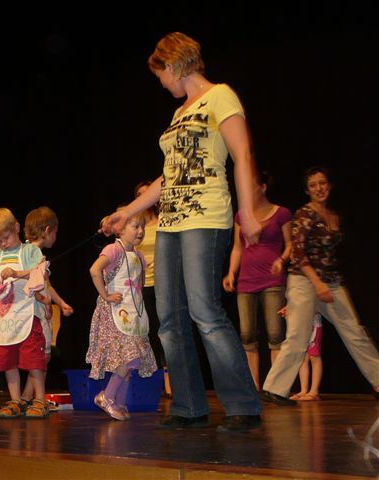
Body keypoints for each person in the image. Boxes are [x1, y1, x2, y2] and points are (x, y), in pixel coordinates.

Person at [102, 32, 262, 432]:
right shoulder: (178, 113)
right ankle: (189, 406)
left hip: (205, 217)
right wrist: (127, 212)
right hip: (171, 223)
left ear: (172, 66)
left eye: (159, 73)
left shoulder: (221, 96)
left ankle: (243, 404)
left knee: (205, 311)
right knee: (169, 318)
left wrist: (247, 212)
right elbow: (168, 177)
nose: (160, 82)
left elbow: (242, 154)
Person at [262, 167, 379, 405]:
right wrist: (317, 283)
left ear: (330, 185)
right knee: (298, 335)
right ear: (307, 190)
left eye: (322, 183)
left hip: (331, 281)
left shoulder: (334, 215)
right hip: (304, 280)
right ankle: (274, 389)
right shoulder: (304, 213)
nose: (319, 188)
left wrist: (326, 283)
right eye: (313, 185)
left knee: (355, 331)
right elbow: (298, 253)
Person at [222, 172, 292, 390]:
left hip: (272, 280)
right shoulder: (241, 216)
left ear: (262, 187)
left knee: (275, 333)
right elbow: (237, 247)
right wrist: (231, 273)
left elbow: (290, 244)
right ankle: (253, 385)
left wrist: (281, 259)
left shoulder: (281, 213)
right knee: (247, 335)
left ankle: (276, 386)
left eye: (251, 186)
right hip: (247, 281)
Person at [0, 208, 49, 418]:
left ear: (16, 228)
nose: (3, 244)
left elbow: (41, 273)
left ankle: (40, 400)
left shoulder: (30, 251)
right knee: (9, 360)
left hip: (28, 316)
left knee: (33, 360)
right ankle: (16, 400)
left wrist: (17, 273)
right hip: (5, 319)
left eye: (6, 238)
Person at [87, 211, 157, 421]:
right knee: (131, 356)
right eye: (135, 226)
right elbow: (94, 270)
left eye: (142, 226)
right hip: (114, 313)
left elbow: (138, 286)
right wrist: (106, 295)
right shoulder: (114, 250)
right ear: (120, 230)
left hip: (133, 314)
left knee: (130, 360)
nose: (141, 231)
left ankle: (119, 401)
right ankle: (107, 397)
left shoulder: (139, 256)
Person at [20, 206, 74, 406]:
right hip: (37, 312)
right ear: (48, 230)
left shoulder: (28, 252)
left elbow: (46, 285)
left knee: (41, 357)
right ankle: (33, 399)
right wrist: (45, 302)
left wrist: (61, 302)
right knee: (41, 357)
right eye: (56, 232)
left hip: (38, 310)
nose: (56, 237)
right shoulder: (34, 255)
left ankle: (26, 397)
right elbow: (33, 284)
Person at [134, 181, 171, 397]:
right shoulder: (135, 227)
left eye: (147, 193)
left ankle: (169, 381)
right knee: (146, 334)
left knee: (164, 331)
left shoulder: (163, 222)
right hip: (141, 286)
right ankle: (151, 380)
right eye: (140, 195)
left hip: (162, 283)